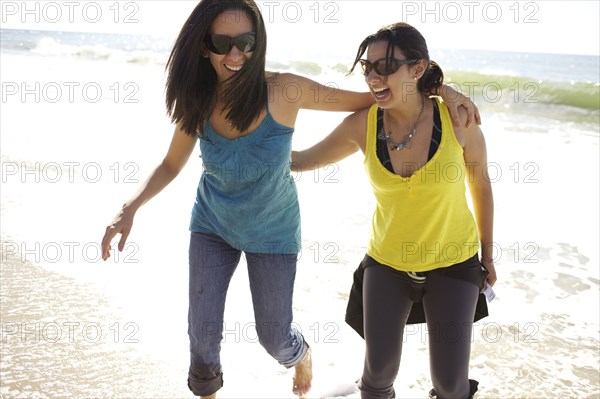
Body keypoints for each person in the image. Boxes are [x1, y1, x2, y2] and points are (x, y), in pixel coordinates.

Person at [100, 1, 479, 397]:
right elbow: (170, 164)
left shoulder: (284, 90)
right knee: (202, 333)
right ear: (202, 46)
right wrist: (129, 209)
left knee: (274, 338)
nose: (235, 54)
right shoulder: (198, 100)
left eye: (245, 42)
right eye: (222, 42)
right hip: (212, 226)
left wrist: (440, 88)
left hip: (274, 232)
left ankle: (300, 356)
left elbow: (376, 96)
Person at [292, 22, 496, 399]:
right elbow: (301, 160)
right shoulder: (361, 125)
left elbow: (480, 185)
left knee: (451, 386)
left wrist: (488, 254)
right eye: (367, 67)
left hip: (453, 261)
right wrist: (248, 146)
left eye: (385, 67)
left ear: (417, 69)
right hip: (387, 264)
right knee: (377, 376)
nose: (372, 76)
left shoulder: (458, 121)